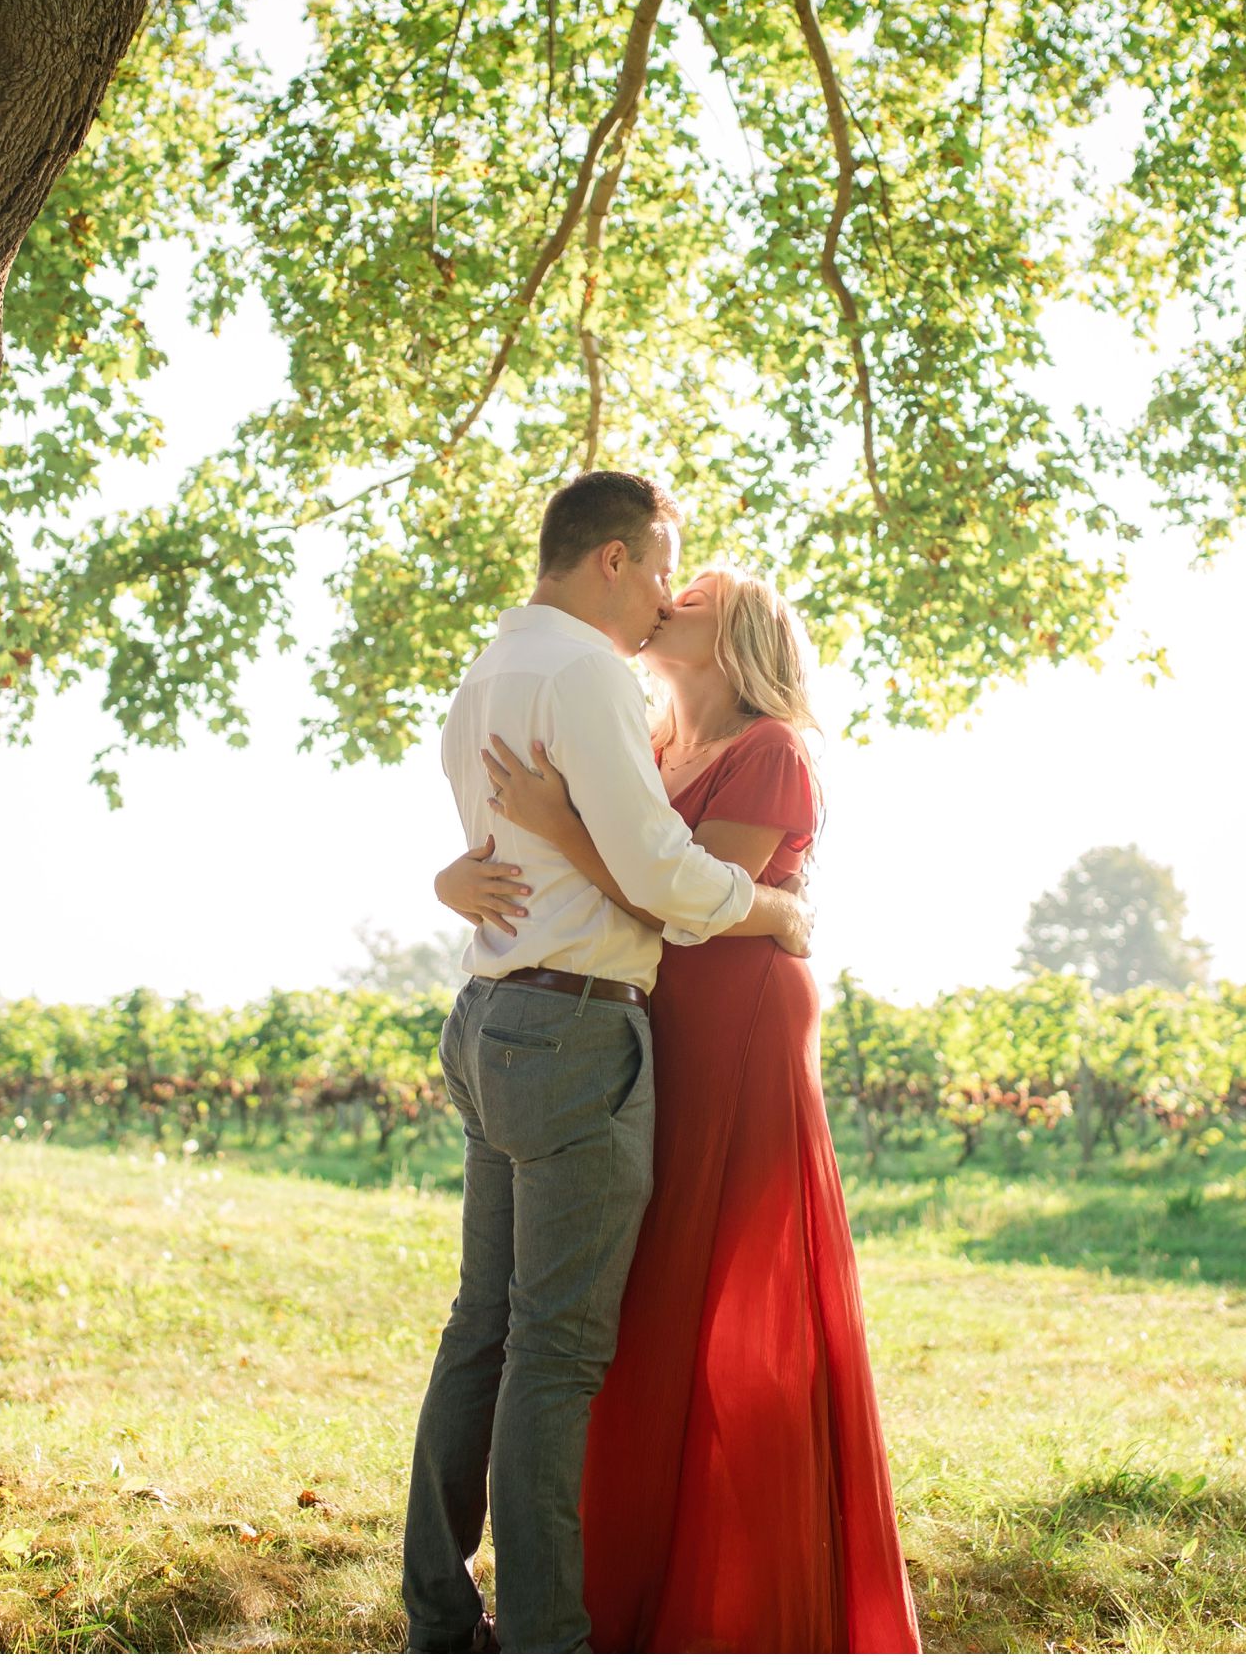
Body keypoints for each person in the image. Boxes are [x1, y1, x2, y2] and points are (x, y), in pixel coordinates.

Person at [438, 561, 920, 1653]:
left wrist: (564, 830)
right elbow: (628, 876)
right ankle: (619, 1569)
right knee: (632, 1289)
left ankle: (728, 1584)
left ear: (738, 634)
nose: (668, 601)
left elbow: (689, 904)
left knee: (722, 1286)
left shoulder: (771, 751)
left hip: (736, 1023)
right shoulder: (653, 747)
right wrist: (455, 876)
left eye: (691, 596)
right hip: (651, 1022)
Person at [401, 471, 815, 1655]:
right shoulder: (587, 673)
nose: (664, 604)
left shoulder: (489, 670)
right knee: (555, 1349)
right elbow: (657, 874)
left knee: (480, 1324)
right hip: (574, 1024)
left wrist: (448, 878)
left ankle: (438, 1616)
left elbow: (494, 851)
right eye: (660, 570)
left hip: (489, 1014)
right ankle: (543, 1637)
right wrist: (768, 911)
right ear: (614, 562)